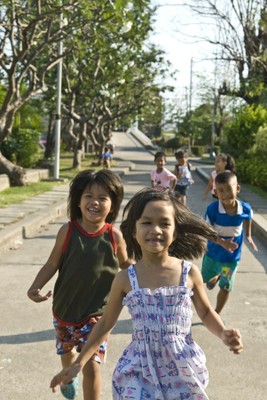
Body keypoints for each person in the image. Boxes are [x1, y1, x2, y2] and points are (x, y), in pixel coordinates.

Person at [50, 187, 243, 400]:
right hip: (139, 368)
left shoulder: (188, 273)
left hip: (182, 369)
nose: (156, 229)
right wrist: (78, 363)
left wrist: (223, 332)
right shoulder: (125, 279)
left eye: (164, 223)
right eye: (147, 222)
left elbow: (206, 313)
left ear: (175, 231)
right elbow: (105, 324)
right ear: (133, 231)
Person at [27, 169, 132, 400]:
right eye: (88, 196)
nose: (94, 202)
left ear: (113, 205)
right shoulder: (68, 231)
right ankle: (68, 375)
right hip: (64, 310)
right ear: (78, 200)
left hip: (98, 315)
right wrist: (35, 286)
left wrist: (149, 268)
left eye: (102, 197)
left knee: (92, 366)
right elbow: (51, 264)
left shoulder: (114, 236)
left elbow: (126, 264)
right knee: (68, 356)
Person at [201, 171, 258, 315]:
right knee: (204, 281)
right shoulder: (212, 210)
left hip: (231, 258)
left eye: (229, 189)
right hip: (213, 254)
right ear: (215, 192)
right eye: (221, 190)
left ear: (237, 189)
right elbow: (206, 232)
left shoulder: (245, 208)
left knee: (226, 286)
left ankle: (216, 313)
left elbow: (248, 218)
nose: (225, 194)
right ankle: (215, 275)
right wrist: (222, 242)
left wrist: (249, 235)